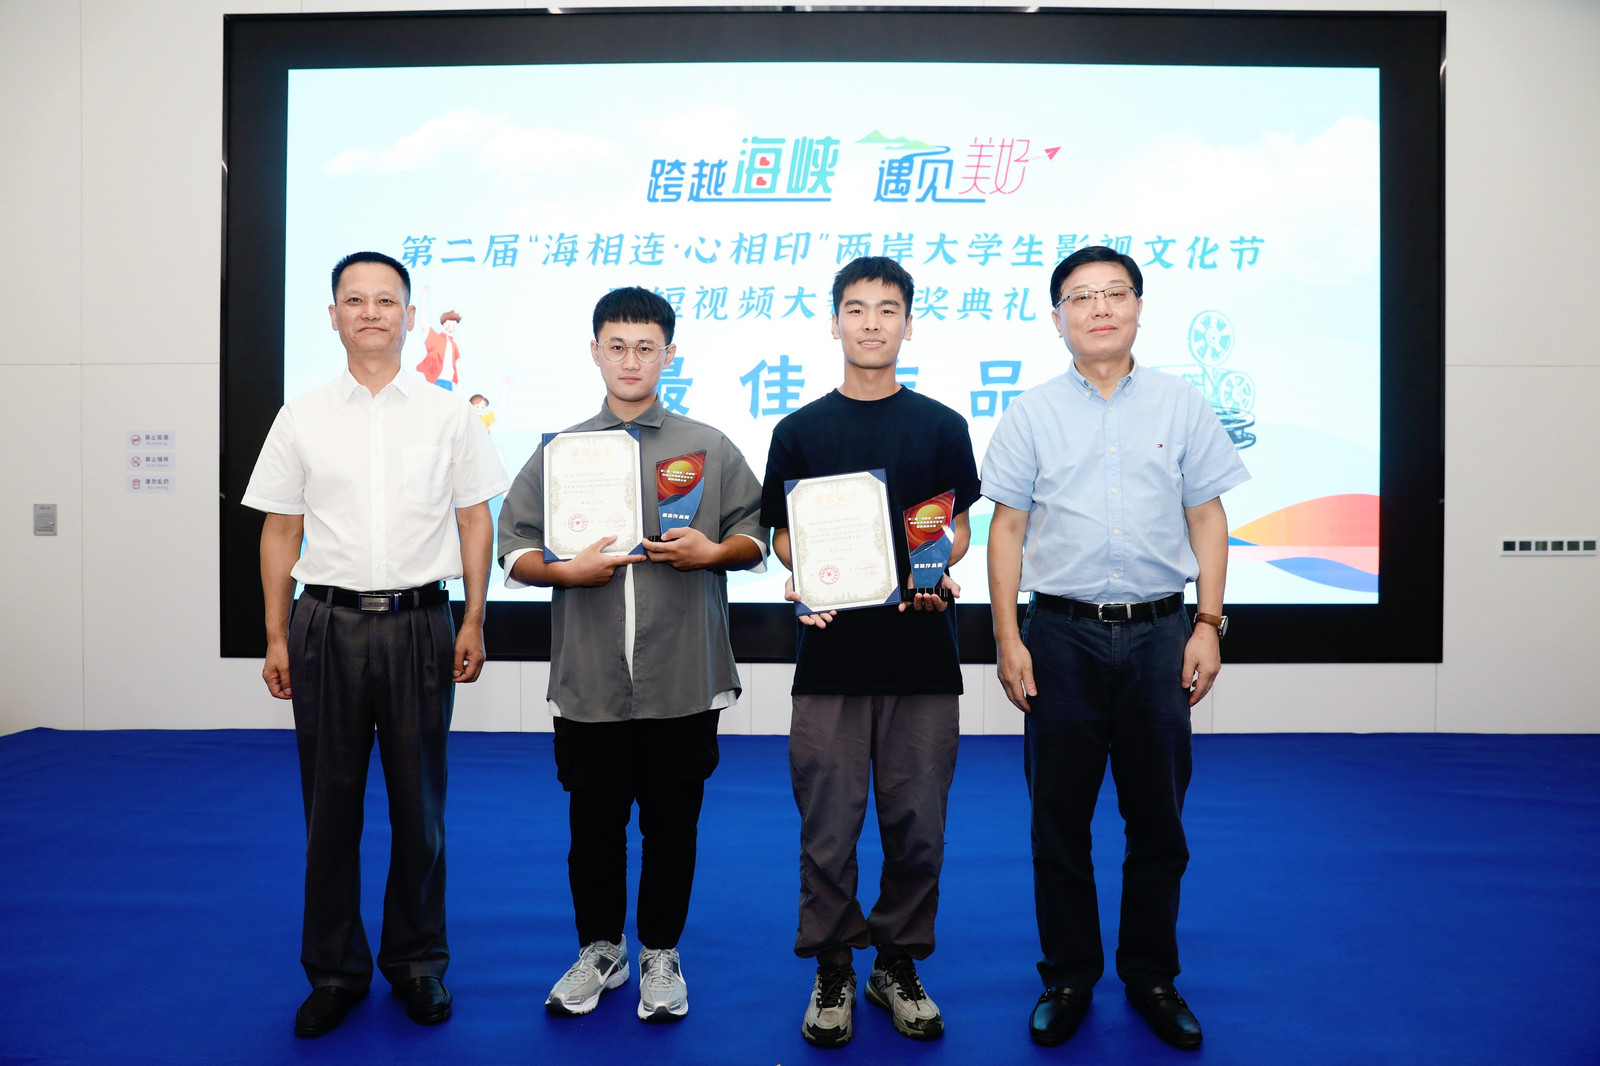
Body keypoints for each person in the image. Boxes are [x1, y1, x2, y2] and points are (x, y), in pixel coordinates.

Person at [982, 246, 1250, 1051]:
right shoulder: (1030, 412)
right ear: (1057, 316)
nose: (1099, 308)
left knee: (1158, 820)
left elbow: (1207, 516)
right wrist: (1007, 637)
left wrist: (1208, 623)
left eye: (1114, 293)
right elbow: (1008, 528)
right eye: (1081, 296)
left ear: (1137, 306)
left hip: (1160, 635)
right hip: (1058, 636)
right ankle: (1068, 976)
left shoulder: (1181, 404)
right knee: (1057, 821)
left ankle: (1151, 975)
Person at [243, 251, 508, 1037]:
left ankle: (417, 963)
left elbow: (474, 519)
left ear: (409, 315)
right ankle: (334, 972)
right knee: (330, 810)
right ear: (332, 316)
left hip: (422, 624)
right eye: (354, 300)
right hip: (325, 624)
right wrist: (276, 634)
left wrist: (473, 618)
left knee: (420, 809)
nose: (370, 312)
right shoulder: (301, 415)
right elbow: (281, 529)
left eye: (385, 301)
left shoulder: (448, 415)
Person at [497, 286, 767, 1023]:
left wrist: (714, 552)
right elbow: (513, 547)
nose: (630, 360)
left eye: (646, 347)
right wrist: (564, 572)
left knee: (673, 825)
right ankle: (601, 950)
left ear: (668, 355)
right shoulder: (561, 452)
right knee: (593, 826)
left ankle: (660, 952)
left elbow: (757, 538)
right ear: (594, 352)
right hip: (589, 679)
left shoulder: (708, 446)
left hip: (683, 675)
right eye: (616, 346)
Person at [759, 256, 980, 1048]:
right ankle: (832, 967)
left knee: (919, 826)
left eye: (888, 309)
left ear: (908, 324)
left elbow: (957, 525)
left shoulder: (942, 426)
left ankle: (896, 961)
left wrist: (937, 564)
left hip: (922, 656)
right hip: (831, 660)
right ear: (835, 323)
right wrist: (803, 574)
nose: (872, 323)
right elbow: (784, 533)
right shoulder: (799, 431)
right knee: (828, 828)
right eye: (856, 309)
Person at [415, 284, 463, 389]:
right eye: (448, 326)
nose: (451, 329)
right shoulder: (435, 338)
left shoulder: (453, 345)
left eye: (453, 326)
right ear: (442, 325)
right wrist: (424, 295)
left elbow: (456, 365)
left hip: (449, 383)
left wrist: (460, 385)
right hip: (436, 381)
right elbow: (424, 322)